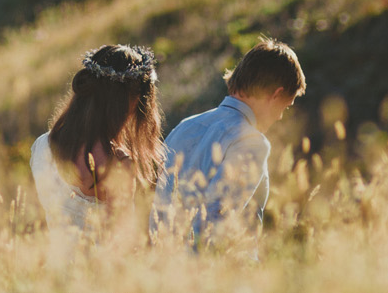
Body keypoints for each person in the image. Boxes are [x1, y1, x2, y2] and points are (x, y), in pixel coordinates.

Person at [152, 37, 306, 250]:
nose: (280, 117)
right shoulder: (251, 142)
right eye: (285, 107)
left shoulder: (186, 126)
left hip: (160, 263)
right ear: (276, 94)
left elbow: (154, 201)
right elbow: (218, 218)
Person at [30, 43, 164, 244]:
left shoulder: (43, 145)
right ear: (131, 102)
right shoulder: (118, 164)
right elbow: (119, 245)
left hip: (53, 270)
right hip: (93, 274)